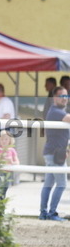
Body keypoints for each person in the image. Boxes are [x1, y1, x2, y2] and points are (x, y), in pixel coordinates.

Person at [39, 86, 70, 222]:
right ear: (55, 98)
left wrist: (66, 149)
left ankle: (43, 213)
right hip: (54, 155)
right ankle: (52, 213)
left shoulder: (57, 111)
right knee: (62, 184)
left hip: (55, 153)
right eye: (62, 96)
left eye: (66, 96)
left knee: (48, 184)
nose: (65, 99)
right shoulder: (56, 111)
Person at [0, 130, 19, 197]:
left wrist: (11, 162)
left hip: (7, 175)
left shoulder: (12, 150)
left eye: (6, 139)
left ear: (10, 140)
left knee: (3, 193)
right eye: (2, 139)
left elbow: (17, 163)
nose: (4, 141)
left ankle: (1, 206)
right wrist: (1, 158)